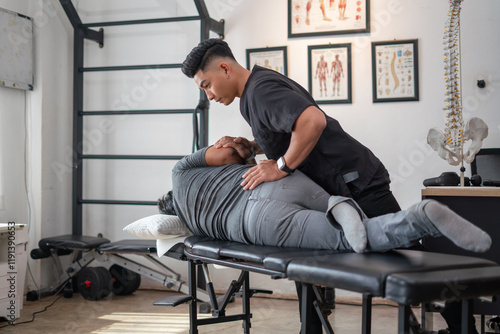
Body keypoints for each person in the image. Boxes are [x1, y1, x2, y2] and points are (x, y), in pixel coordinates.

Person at [159, 144, 490, 334]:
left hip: (258, 222)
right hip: (275, 179)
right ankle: (337, 204)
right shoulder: (181, 169)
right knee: (328, 202)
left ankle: (419, 217)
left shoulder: (191, 224)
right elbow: (228, 151)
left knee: (354, 240)